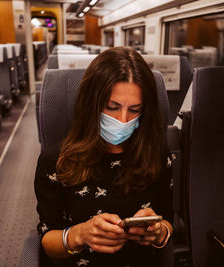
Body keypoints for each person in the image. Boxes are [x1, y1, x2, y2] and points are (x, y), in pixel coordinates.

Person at [34, 46, 173, 267]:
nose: (123, 119)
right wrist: (79, 235)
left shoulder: (155, 154)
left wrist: (158, 233)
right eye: (112, 107)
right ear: (92, 104)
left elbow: (167, 219)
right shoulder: (57, 161)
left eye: (135, 109)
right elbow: (47, 241)